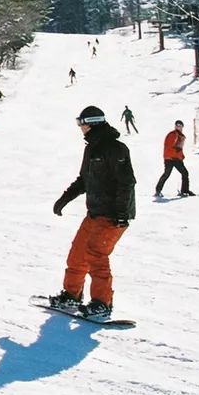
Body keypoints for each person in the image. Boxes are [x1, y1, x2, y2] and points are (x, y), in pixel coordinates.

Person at [49, 106, 137, 321]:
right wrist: (64, 199)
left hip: (113, 215)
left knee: (96, 256)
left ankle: (102, 303)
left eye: (81, 123)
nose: (80, 127)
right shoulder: (91, 149)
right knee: (78, 253)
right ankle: (72, 295)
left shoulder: (116, 149)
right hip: (95, 213)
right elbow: (83, 180)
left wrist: (122, 214)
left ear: (92, 123)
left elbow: (127, 182)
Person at [156, 119, 193, 197]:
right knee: (167, 174)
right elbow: (171, 147)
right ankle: (158, 190)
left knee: (184, 173)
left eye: (180, 126)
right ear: (175, 126)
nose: (178, 127)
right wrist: (178, 154)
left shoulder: (180, 136)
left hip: (176, 158)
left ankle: (185, 190)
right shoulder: (172, 134)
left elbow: (179, 148)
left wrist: (181, 156)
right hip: (170, 158)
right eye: (177, 125)